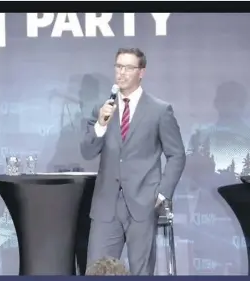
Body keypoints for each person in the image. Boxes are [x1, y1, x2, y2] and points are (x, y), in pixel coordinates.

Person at [80, 48, 186, 275]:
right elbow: (88, 152)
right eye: (118, 66)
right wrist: (100, 124)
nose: (122, 72)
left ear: (141, 72)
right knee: (97, 270)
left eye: (128, 67)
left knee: (141, 272)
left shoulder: (159, 110)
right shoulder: (103, 109)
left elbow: (177, 155)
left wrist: (161, 194)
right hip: (106, 205)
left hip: (143, 204)